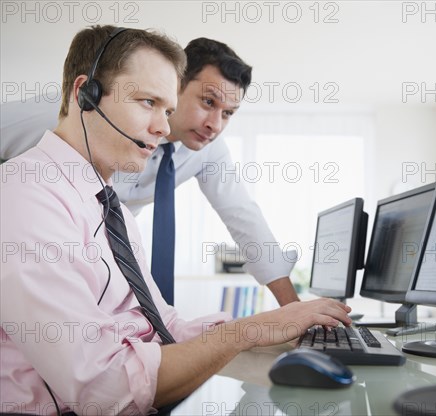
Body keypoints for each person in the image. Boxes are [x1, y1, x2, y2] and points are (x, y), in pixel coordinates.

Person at [0, 25, 351, 414]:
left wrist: (281, 321)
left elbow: (167, 319)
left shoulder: (114, 211)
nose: (164, 127)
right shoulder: (26, 190)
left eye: (166, 110)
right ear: (86, 94)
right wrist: (241, 334)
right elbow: (103, 389)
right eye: (148, 102)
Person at [0, 37, 299, 307]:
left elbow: (244, 218)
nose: (215, 124)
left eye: (228, 113)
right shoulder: (79, 110)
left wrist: (294, 310)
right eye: (208, 102)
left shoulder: (208, 151)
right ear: (175, 84)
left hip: (103, 255)